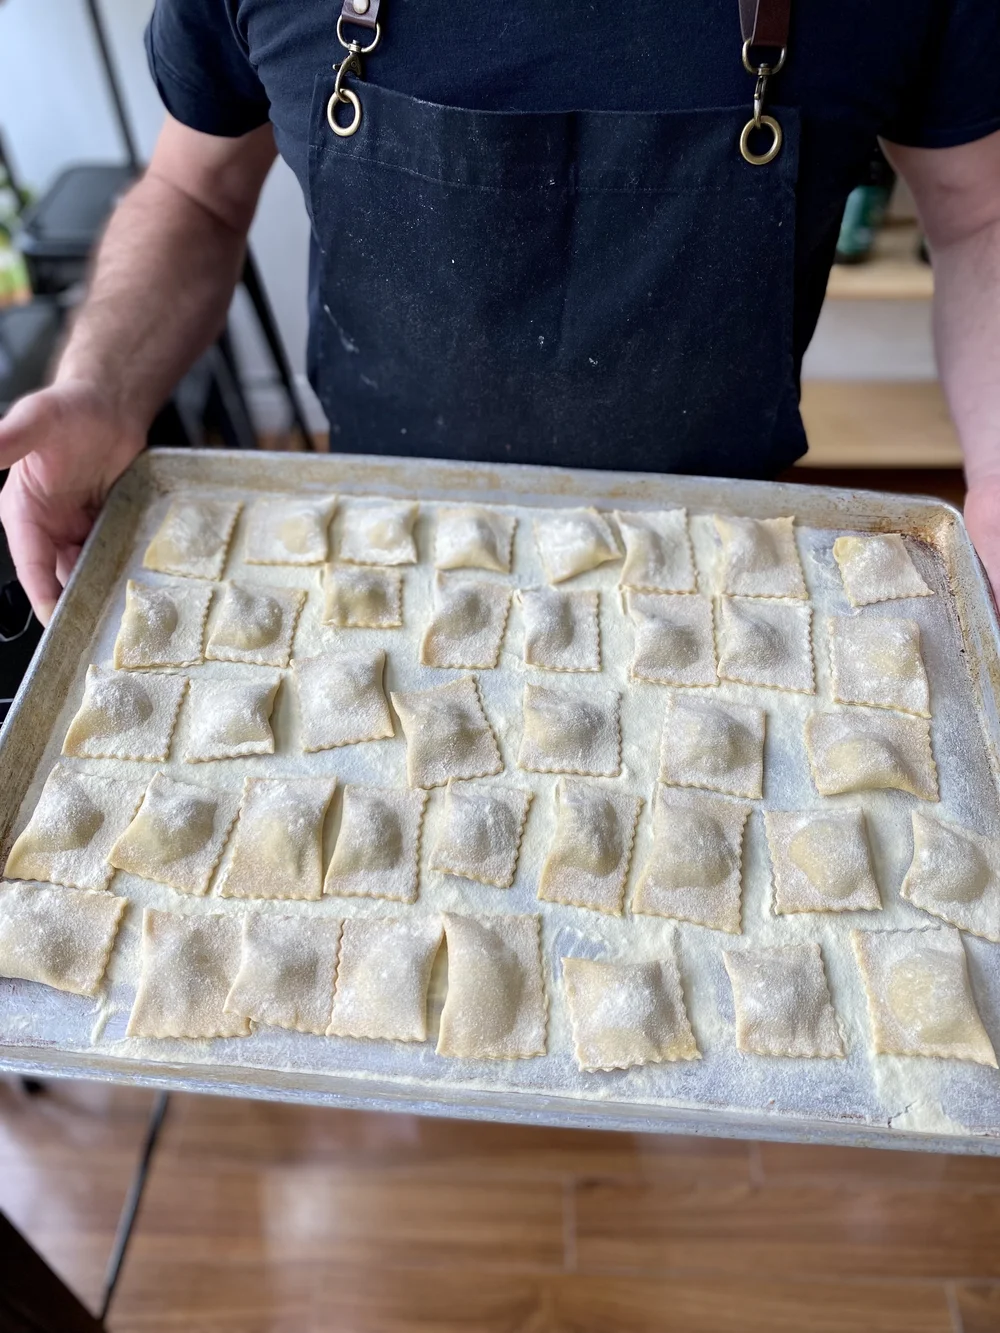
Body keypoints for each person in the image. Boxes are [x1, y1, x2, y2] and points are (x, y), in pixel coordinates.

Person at [1, 0, 999, 624]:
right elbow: (194, 193)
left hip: (730, 593)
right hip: (379, 571)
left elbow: (977, 219)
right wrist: (100, 381)